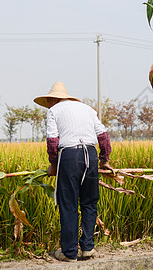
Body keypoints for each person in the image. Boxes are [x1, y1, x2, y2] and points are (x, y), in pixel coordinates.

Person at [34, 81, 112, 262]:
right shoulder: (87, 109)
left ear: (53, 99)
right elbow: (103, 135)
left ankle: (69, 252)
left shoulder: (53, 111)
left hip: (70, 156)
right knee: (89, 202)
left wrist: (53, 165)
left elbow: (53, 141)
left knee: (68, 204)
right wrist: (104, 160)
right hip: (90, 155)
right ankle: (87, 248)